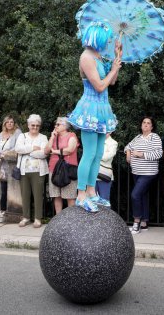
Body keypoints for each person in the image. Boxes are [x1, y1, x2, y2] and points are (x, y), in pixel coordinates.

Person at [68, 21, 122, 212]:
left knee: (98, 154)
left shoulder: (98, 56)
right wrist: (113, 70)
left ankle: (91, 192)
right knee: (89, 153)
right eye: (106, 40)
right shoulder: (86, 57)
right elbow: (99, 86)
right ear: (98, 38)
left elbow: (111, 82)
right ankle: (81, 195)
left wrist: (117, 57)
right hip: (90, 108)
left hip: (102, 108)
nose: (108, 43)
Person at [125, 116, 163, 234]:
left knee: (135, 195)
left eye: (148, 123)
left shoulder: (154, 137)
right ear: (141, 125)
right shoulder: (137, 137)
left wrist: (141, 154)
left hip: (148, 173)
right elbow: (127, 146)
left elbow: (158, 153)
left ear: (152, 126)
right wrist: (128, 153)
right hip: (136, 172)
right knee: (143, 196)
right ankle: (144, 223)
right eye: (144, 122)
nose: (146, 124)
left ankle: (136, 222)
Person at [15, 114, 48, 228]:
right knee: (25, 195)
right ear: (28, 125)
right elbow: (18, 149)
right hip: (24, 170)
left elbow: (43, 153)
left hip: (39, 171)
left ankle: (38, 219)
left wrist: (27, 151)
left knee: (38, 195)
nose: (35, 127)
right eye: (33, 125)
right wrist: (33, 148)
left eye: (37, 125)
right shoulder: (22, 136)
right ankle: (25, 217)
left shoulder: (43, 137)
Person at [45, 117, 79, 214]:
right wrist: (51, 137)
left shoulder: (72, 136)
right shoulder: (54, 137)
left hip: (68, 170)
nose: (55, 126)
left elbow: (69, 150)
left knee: (70, 196)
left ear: (65, 126)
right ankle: (58, 219)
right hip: (54, 169)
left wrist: (54, 151)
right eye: (56, 124)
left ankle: (71, 220)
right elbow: (46, 151)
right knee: (57, 195)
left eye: (58, 124)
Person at [0, 115, 21, 217]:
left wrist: (7, 153)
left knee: (14, 188)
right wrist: (1, 154)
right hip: (2, 164)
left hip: (13, 163)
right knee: (3, 188)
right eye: (8, 122)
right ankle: (2, 209)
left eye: (11, 122)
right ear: (5, 124)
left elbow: (18, 147)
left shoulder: (17, 133)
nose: (10, 124)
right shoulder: (1, 134)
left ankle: (13, 210)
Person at [95, 133, 118, 201]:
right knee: (91, 201)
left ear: (110, 131)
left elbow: (106, 157)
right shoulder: (95, 140)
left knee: (104, 200)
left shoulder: (113, 143)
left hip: (104, 175)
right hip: (92, 175)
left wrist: (94, 155)